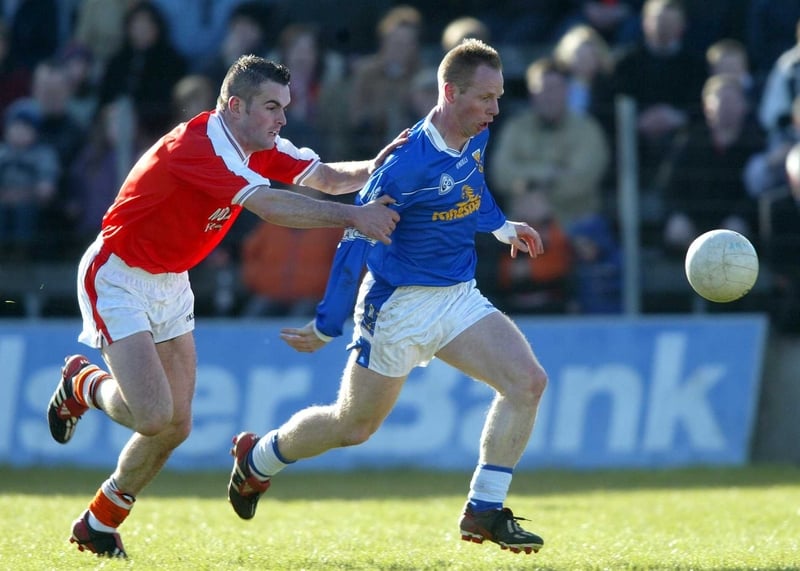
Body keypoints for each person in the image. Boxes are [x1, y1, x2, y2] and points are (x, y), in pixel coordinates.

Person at [46, 54, 402, 558]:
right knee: (152, 416)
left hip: (170, 281)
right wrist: (354, 217)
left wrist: (379, 167)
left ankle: (99, 524)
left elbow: (321, 175)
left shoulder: (256, 143)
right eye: (271, 107)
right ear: (235, 106)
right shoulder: (200, 146)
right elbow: (272, 206)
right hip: (118, 275)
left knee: (178, 424)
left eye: (285, 108)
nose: (282, 119)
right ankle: (83, 384)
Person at [227, 39, 548, 556]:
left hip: (457, 296)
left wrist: (502, 227)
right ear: (450, 92)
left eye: (499, 97)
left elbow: (470, 190)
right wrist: (328, 322)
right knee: (352, 427)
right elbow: (356, 237)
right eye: (485, 98)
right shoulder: (403, 164)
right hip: (397, 307)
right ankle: (259, 459)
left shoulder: (474, 134)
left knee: (527, 382)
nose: (494, 109)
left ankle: (483, 510)